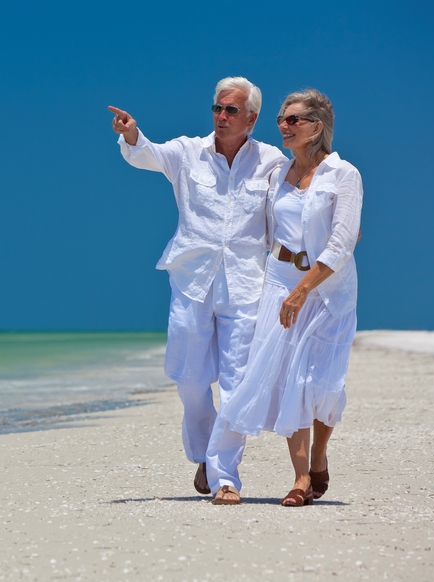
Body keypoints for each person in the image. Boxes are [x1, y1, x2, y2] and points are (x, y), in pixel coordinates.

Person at [108, 77, 286, 497]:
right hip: (191, 280)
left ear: (251, 118)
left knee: (238, 381)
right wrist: (131, 133)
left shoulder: (272, 161)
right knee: (188, 376)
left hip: (247, 283)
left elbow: (289, 212)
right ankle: (206, 452)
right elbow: (146, 153)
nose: (221, 117)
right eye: (217, 109)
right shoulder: (188, 152)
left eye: (231, 111)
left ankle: (225, 475)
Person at [206, 88, 363, 506]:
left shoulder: (343, 174)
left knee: (322, 383)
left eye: (294, 119)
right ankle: (300, 478)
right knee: (290, 378)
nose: (284, 126)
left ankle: (319, 455)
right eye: (281, 118)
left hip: (328, 290)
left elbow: (342, 242)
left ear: (317, 127)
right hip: (279, 280)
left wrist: (303, 290)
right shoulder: (279, 173)